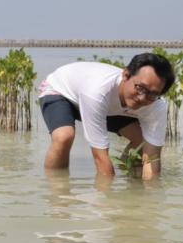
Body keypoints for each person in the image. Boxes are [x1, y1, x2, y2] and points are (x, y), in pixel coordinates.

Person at [39, 53, 175, 180]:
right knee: (64, 136)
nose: (142, 98)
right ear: (126, 75)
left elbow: (152, 159)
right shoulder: (97, 91)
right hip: (61, 91)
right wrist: (107, 200)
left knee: (142, 143)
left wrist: (152, 200)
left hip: (107, 106)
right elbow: (100, 158)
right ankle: (56, 189)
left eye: (152, 94)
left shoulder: (156, 105)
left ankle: (130, 179)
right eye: (140, 88)